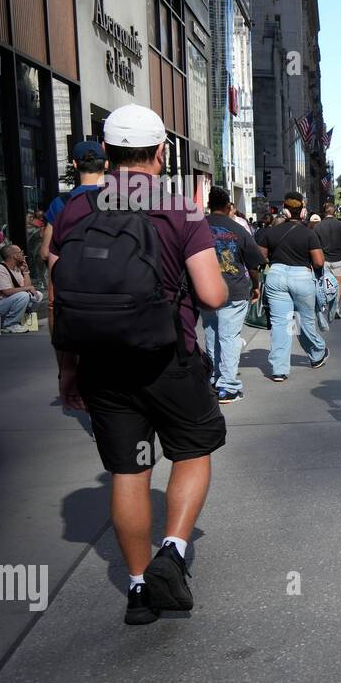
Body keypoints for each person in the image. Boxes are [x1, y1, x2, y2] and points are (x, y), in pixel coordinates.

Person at [48, 103, 228, 626]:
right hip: (170, 358)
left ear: (104, 153)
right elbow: (214, 295)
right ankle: (171, 551)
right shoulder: (182, 210)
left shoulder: (75, 211)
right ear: (161, 152)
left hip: (102, 365)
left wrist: (67, 370)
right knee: (193, 451)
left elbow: (62, 298)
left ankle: (136, 589)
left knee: (128, 471)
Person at [42, 140, 107, 411]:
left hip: (73, 289)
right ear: (106, 164)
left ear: (75, 165)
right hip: (111, 286)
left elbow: (46, 252)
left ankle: (68, 370)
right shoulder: (120, 199)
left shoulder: (62, 204)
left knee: (58, 315)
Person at [202, 186, 266, 404]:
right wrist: (255, 285)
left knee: (211, 334)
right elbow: (254, 262)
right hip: (233, 288)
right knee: (228, 337)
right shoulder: (238, 229)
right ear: (229, 206)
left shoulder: (197, 227)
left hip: (205, 289)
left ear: (209, 205)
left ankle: (214, 378)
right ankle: (228, 386)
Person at [258, 191, 328, 382]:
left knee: (282, 323)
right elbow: (319, 262)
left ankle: (279, 369)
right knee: (304, 321)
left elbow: (261, 256)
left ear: (285, 212)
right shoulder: (309, 234)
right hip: (302, 279)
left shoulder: (270, 232)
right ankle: (317, 353)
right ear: (303, 213)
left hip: (276, 277)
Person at [0, 244, 43, 333]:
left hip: (10, 302)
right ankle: (9, 324)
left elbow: (27, 289)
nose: (23, 254)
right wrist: (28, 288)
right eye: (21, 252)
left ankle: (20, 319)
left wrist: (25, 272)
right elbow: (6, 292)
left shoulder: (16, 268)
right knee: (23, 295)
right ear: (14, 256)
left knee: (37, 295)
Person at [314, 202, 341, 319]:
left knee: (324, 284)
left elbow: (315, 245)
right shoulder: (340, 225)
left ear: (324, 212)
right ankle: (336, 308)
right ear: (334, 212)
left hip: (324, 259)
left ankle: (325, 305)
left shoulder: (318, 226)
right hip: (339, 259)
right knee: (338, 284)